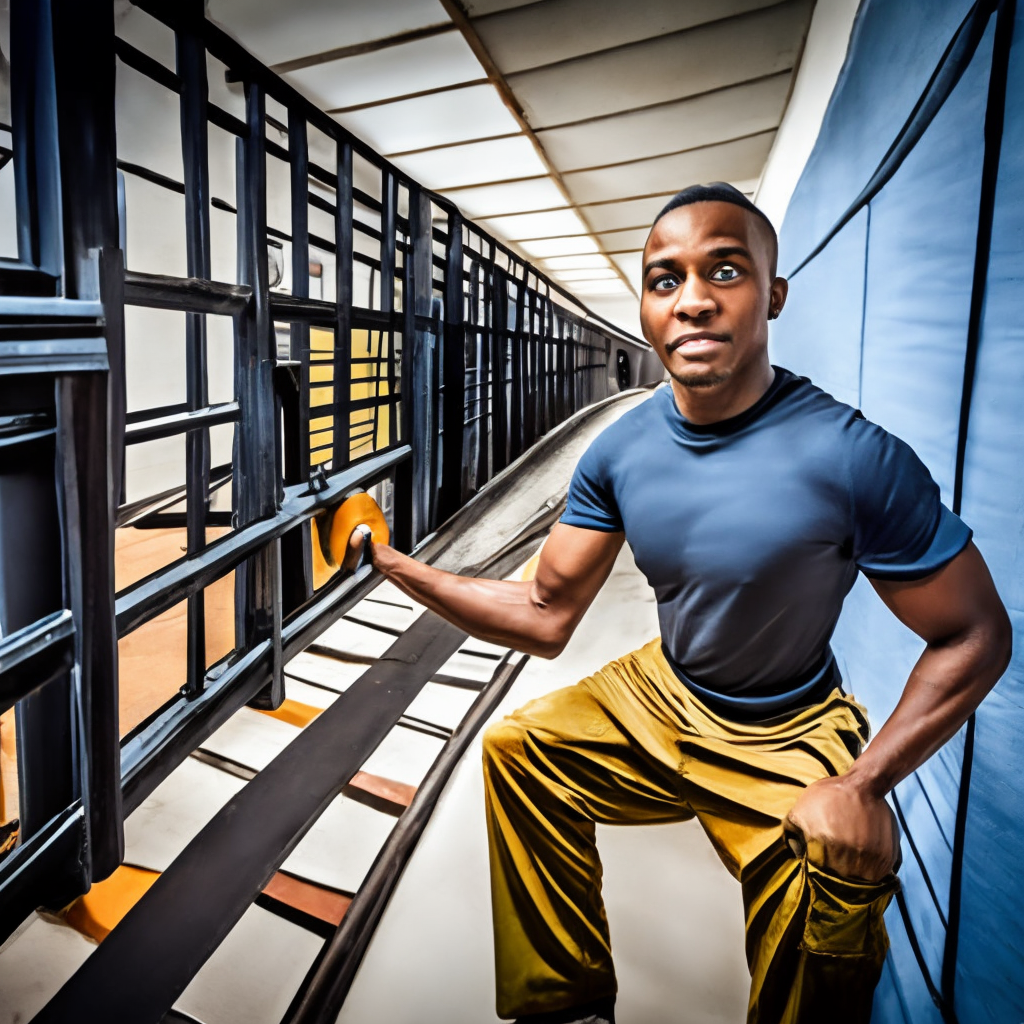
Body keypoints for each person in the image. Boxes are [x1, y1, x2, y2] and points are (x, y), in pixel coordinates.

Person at [343, 183, 1011, 1024]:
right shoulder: (620, 452)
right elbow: (545, 616)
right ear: (647, 304)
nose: (692, 301)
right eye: (666, 280)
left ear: (773, 294)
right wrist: (396, 566)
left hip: (787, 721)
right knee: (520, 748)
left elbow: (975, 632)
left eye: (724, 272)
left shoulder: (855, 458)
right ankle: (567, 1005)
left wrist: (867, 782)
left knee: (839, 873)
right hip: (667, 689)